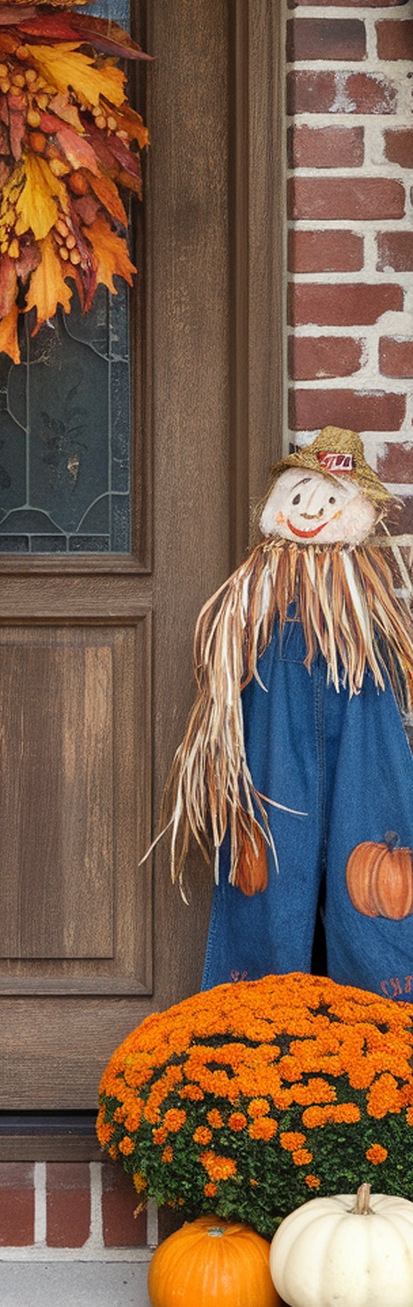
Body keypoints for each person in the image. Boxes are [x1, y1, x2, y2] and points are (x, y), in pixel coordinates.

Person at [163, 427, 413, 998]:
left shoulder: (359, 589)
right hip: (274, 695)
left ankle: (389, 1007)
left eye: (327, 502)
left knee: (371, 830)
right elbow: (228, 645)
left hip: (355, 680)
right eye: (299, 498)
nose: (308, 513)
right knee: (271, 845)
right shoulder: (259, 578)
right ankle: (251, 1006)